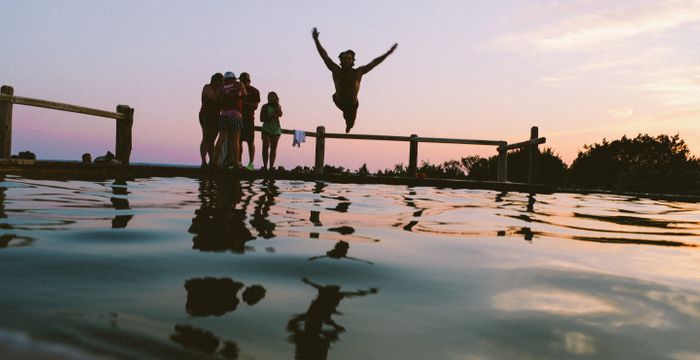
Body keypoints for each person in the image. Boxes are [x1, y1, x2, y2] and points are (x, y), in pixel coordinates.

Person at [311, 27, 398, 133]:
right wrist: (316, 40)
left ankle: (348, 125)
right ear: (341, 61)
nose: (346, 60)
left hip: (352, 105)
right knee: (345, 113)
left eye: (349, 59)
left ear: (353, 62)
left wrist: (388, 53)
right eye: (344, 59)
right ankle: (346, 118)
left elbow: (374, 62)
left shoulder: (358, 72)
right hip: (338, 101)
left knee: (350, 122)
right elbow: (325, 56)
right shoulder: (336, 70)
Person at [213, 71, 247, 169]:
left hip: (223, 114)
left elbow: (215, 99)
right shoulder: (239, 84)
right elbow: (245, 95)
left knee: (221, 138)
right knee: (235, 140)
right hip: (236, 114)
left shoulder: (221, 87)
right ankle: (236, 163)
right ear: (234, 78)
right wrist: (238, 97)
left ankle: (215, 162)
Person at [199, 73, 223, 167]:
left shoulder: (220, 90)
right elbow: (213, 99)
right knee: (206, 137)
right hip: (206, 115)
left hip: (216, 116)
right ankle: (204, 161)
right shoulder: (207, 87)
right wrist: (219, 90)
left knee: (212, 140)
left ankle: (212, 161)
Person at [238, 72, 260, 170]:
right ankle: (239, 162)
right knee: (238, 141)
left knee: (250, 141)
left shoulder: (255, 91)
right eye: (241, 80)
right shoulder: (237, 89)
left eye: (243, 80)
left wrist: (243, 103)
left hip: (249, 119)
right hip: (238, 118)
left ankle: (251, 163)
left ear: (248, 81)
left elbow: (255, 106)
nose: (242, 82)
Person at [260, 91, 283, 171]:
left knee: (273, 148)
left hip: (276, 129)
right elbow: (261, 119)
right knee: (265, 147)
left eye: (272, 97)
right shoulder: (264, 107)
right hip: (266, 128)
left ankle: (271, 167)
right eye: (269, 96)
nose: (270, 98)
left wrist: (277, 104)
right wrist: (270, 117)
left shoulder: (277, 106)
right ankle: (265, 166)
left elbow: (280, 114)